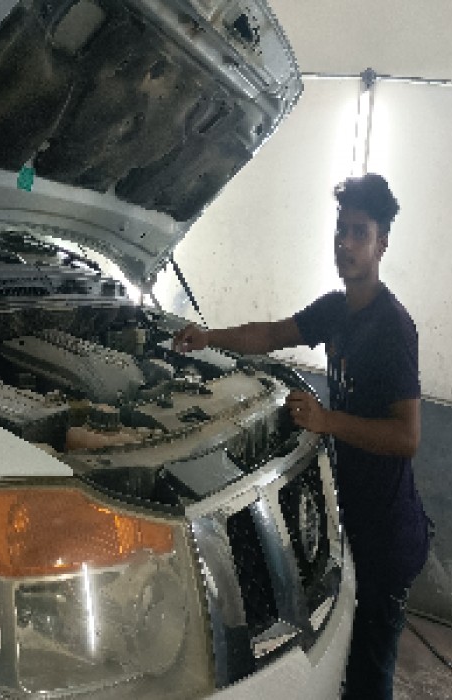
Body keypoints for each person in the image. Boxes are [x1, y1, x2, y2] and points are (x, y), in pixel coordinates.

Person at [173, 173, 430, 699]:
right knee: (344, 657)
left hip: (386, 536)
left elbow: (407, 437)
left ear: (382, 243)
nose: (346, 243)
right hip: (351, 522)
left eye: (359, 233)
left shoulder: (393, 328)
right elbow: (271, 334)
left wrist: (326, 420)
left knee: (370, 677)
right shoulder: (336, 310)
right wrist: (208, 338)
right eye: (341, 230)